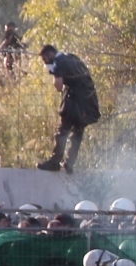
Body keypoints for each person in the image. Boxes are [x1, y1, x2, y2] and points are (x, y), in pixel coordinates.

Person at [36, 44, 100, 173]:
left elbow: (58, 86)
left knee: (63, 131)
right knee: (77, 132)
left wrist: (52, 70)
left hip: (74, 100)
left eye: (45, 60)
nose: (46, 62)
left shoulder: (59, 62)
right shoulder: (71, 57)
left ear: (50, 55)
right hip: (87, 100)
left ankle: (54, 162)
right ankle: (70, 163)